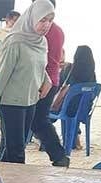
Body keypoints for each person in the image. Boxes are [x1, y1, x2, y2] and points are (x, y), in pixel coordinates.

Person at [0, 1, 55, 165]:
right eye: (43, 20)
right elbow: (2, 76)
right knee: (16, 152)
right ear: (32, 18)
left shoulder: (41, 41)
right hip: (11, 103)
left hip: (30, 101)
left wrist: (47, 79)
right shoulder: (15, 42)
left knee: (10, 148)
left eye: (50, 20)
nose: (47, 25)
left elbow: (37, 65)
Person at [30, 0, 68, 167]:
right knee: (37, 120)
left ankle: (58, 155)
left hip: (42, 80)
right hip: (52, 79)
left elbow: (40, 60)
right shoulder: (58, 30)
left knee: (37, 121)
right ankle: (58, 155)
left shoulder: (38, 29)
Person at [61, 45, 95, 150]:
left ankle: (48, 143)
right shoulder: (92, 74)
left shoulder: (70, 70)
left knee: (62, 107)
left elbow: (61, 85)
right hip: (85, 109)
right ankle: (75, 138)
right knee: (75, 105)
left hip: (68, 109)